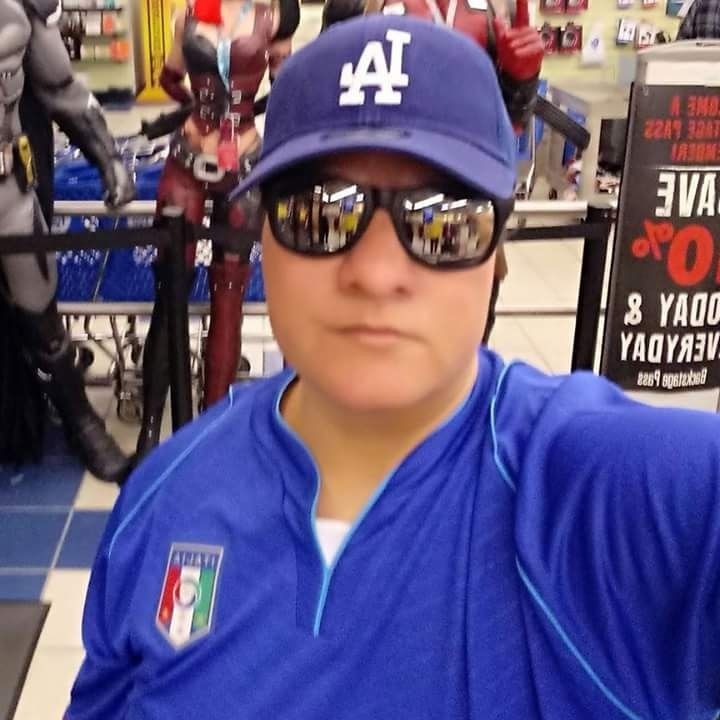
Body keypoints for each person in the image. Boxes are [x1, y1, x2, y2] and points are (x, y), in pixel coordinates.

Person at [66, 16, 720, 719]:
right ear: (262, 234)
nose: (377, 275)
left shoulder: (607, 500)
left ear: (498, 250)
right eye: (320, 214)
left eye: (444, 221)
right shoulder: (163, 498)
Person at [320, 0, 544, 344]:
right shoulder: (359, 4)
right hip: (375, 194)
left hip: (465, 194)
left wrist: (521, 81)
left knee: (462, 335)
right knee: (364, 326)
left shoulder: (497, 10)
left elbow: (508, 125)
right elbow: (324, 101)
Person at [135, 0, 300, 462]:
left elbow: (285, 89)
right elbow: (170, 76)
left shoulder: (276, 15)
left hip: (243, 164)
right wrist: (196, 107)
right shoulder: (189, 12)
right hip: (188, 158)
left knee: (229, 296)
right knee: (170, 290)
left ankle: (212, 429)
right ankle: (151, 429)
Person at [0, 0, 135, 482]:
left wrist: (108, 158)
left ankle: (81, 423)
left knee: (40, 315)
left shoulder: (18, 9)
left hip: (5, 192)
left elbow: (62, 88)